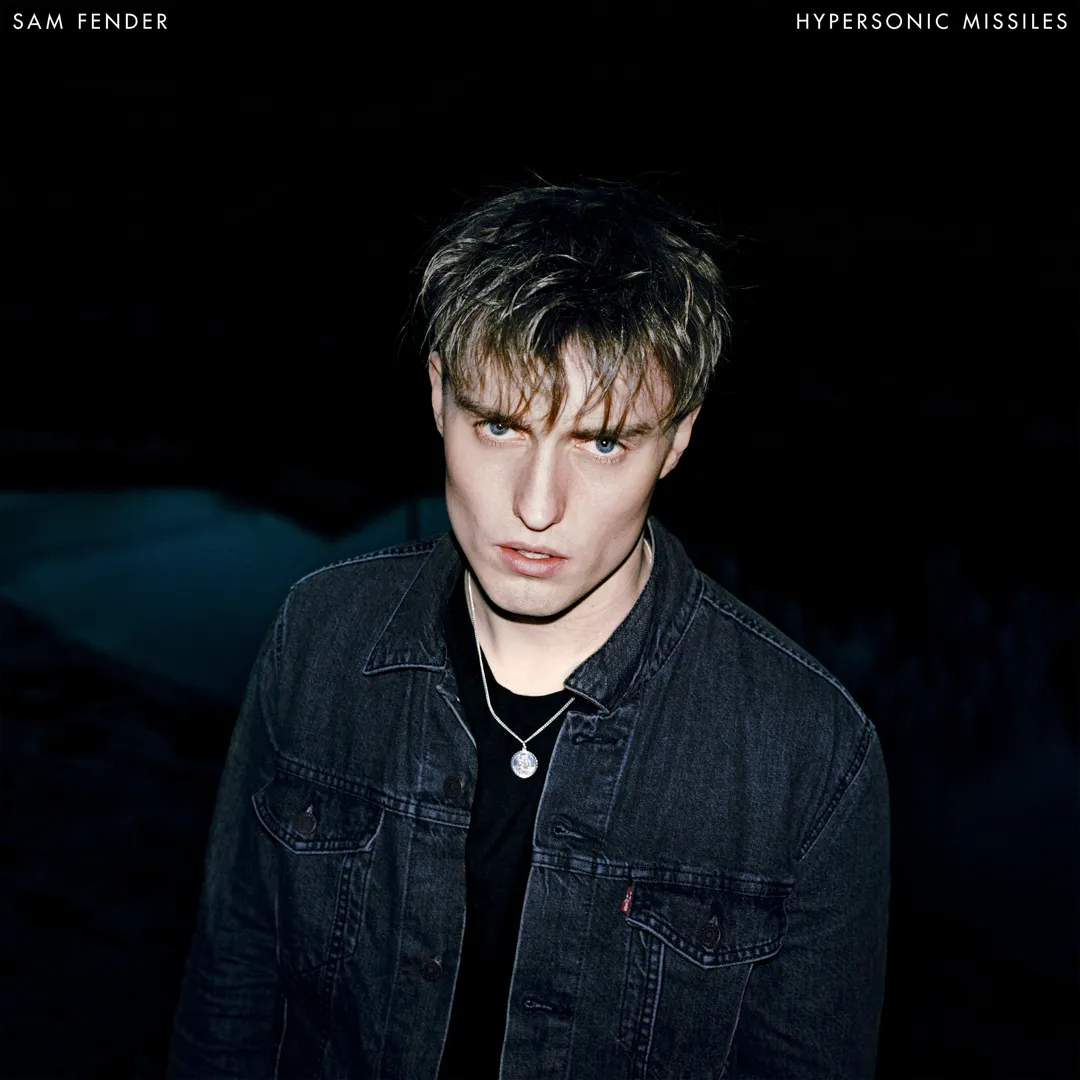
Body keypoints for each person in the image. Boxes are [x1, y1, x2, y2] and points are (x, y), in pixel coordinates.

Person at [167, 182, 890, 1079]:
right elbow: (231, 996)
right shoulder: (318, 640)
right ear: (439, 396)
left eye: (602, 442)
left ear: (678, 438)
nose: (536, 508)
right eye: (501, 425)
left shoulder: (812, 754)